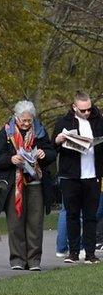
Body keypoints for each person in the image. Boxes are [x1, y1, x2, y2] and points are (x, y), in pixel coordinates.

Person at [0, 101, 56, 270]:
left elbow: (52, 153)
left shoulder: (40, 131)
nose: (26, 123)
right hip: (14, 183)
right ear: (16, 117)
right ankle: (18, 260)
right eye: (23, 120)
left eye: (29, 120)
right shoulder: (6, 133)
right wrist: (10, 159)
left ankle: (34, 260)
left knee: (35, 222)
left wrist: (43, 153)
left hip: (36, 182)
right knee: (15, 222)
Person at [53, 91, 103, 264]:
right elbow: (53, 148)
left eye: (89, 109)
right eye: (83, 110)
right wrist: (59, 140)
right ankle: (73, 252)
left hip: (92, 176)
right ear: (74, 107)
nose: (87, 113)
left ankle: (90, 253)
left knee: (91, 216)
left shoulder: (98, 121)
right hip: (70, 176)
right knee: (72, 215)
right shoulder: (64, 122)